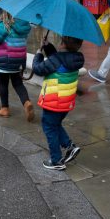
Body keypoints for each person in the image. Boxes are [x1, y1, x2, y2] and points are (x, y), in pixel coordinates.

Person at [32, 36, 84, 170]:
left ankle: (56, 160)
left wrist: (38, 55)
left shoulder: (57, 60)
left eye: (61, 41)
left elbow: (38, 68)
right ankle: (69, 146)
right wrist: (48, 46)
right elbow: (58, 60)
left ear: (62, 45)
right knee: (55, 124)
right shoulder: (76, 58)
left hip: (53, 102)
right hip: (66, 102)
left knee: (49, 127)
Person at [0, 12, 35, 122]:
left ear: (5, 13)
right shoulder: (24, 26)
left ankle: (5, 109)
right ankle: (26, 102)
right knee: (18, 84)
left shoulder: (5, 25)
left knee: (3, 84)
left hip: (4, 60)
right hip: (17, 60)